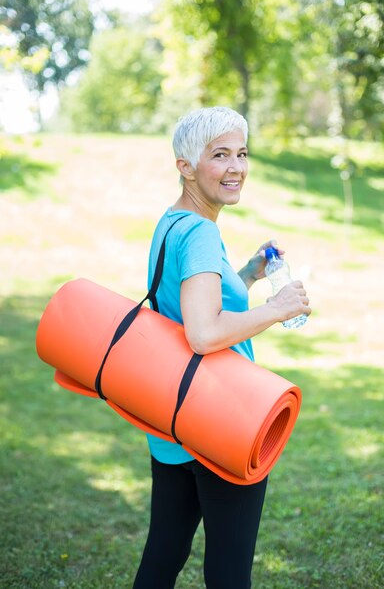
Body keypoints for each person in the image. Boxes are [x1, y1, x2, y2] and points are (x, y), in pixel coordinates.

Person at [132, 106, 311, 589]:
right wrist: (277, 307)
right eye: (219, 156)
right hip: (222, 421)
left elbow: (193, 298)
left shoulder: (173, 223)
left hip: (174, 420)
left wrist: (250, 273)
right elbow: (204, 332)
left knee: (166, 550)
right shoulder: (203, 233)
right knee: (229, 571)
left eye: (242, 153)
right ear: (185, 166)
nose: (236, 167)